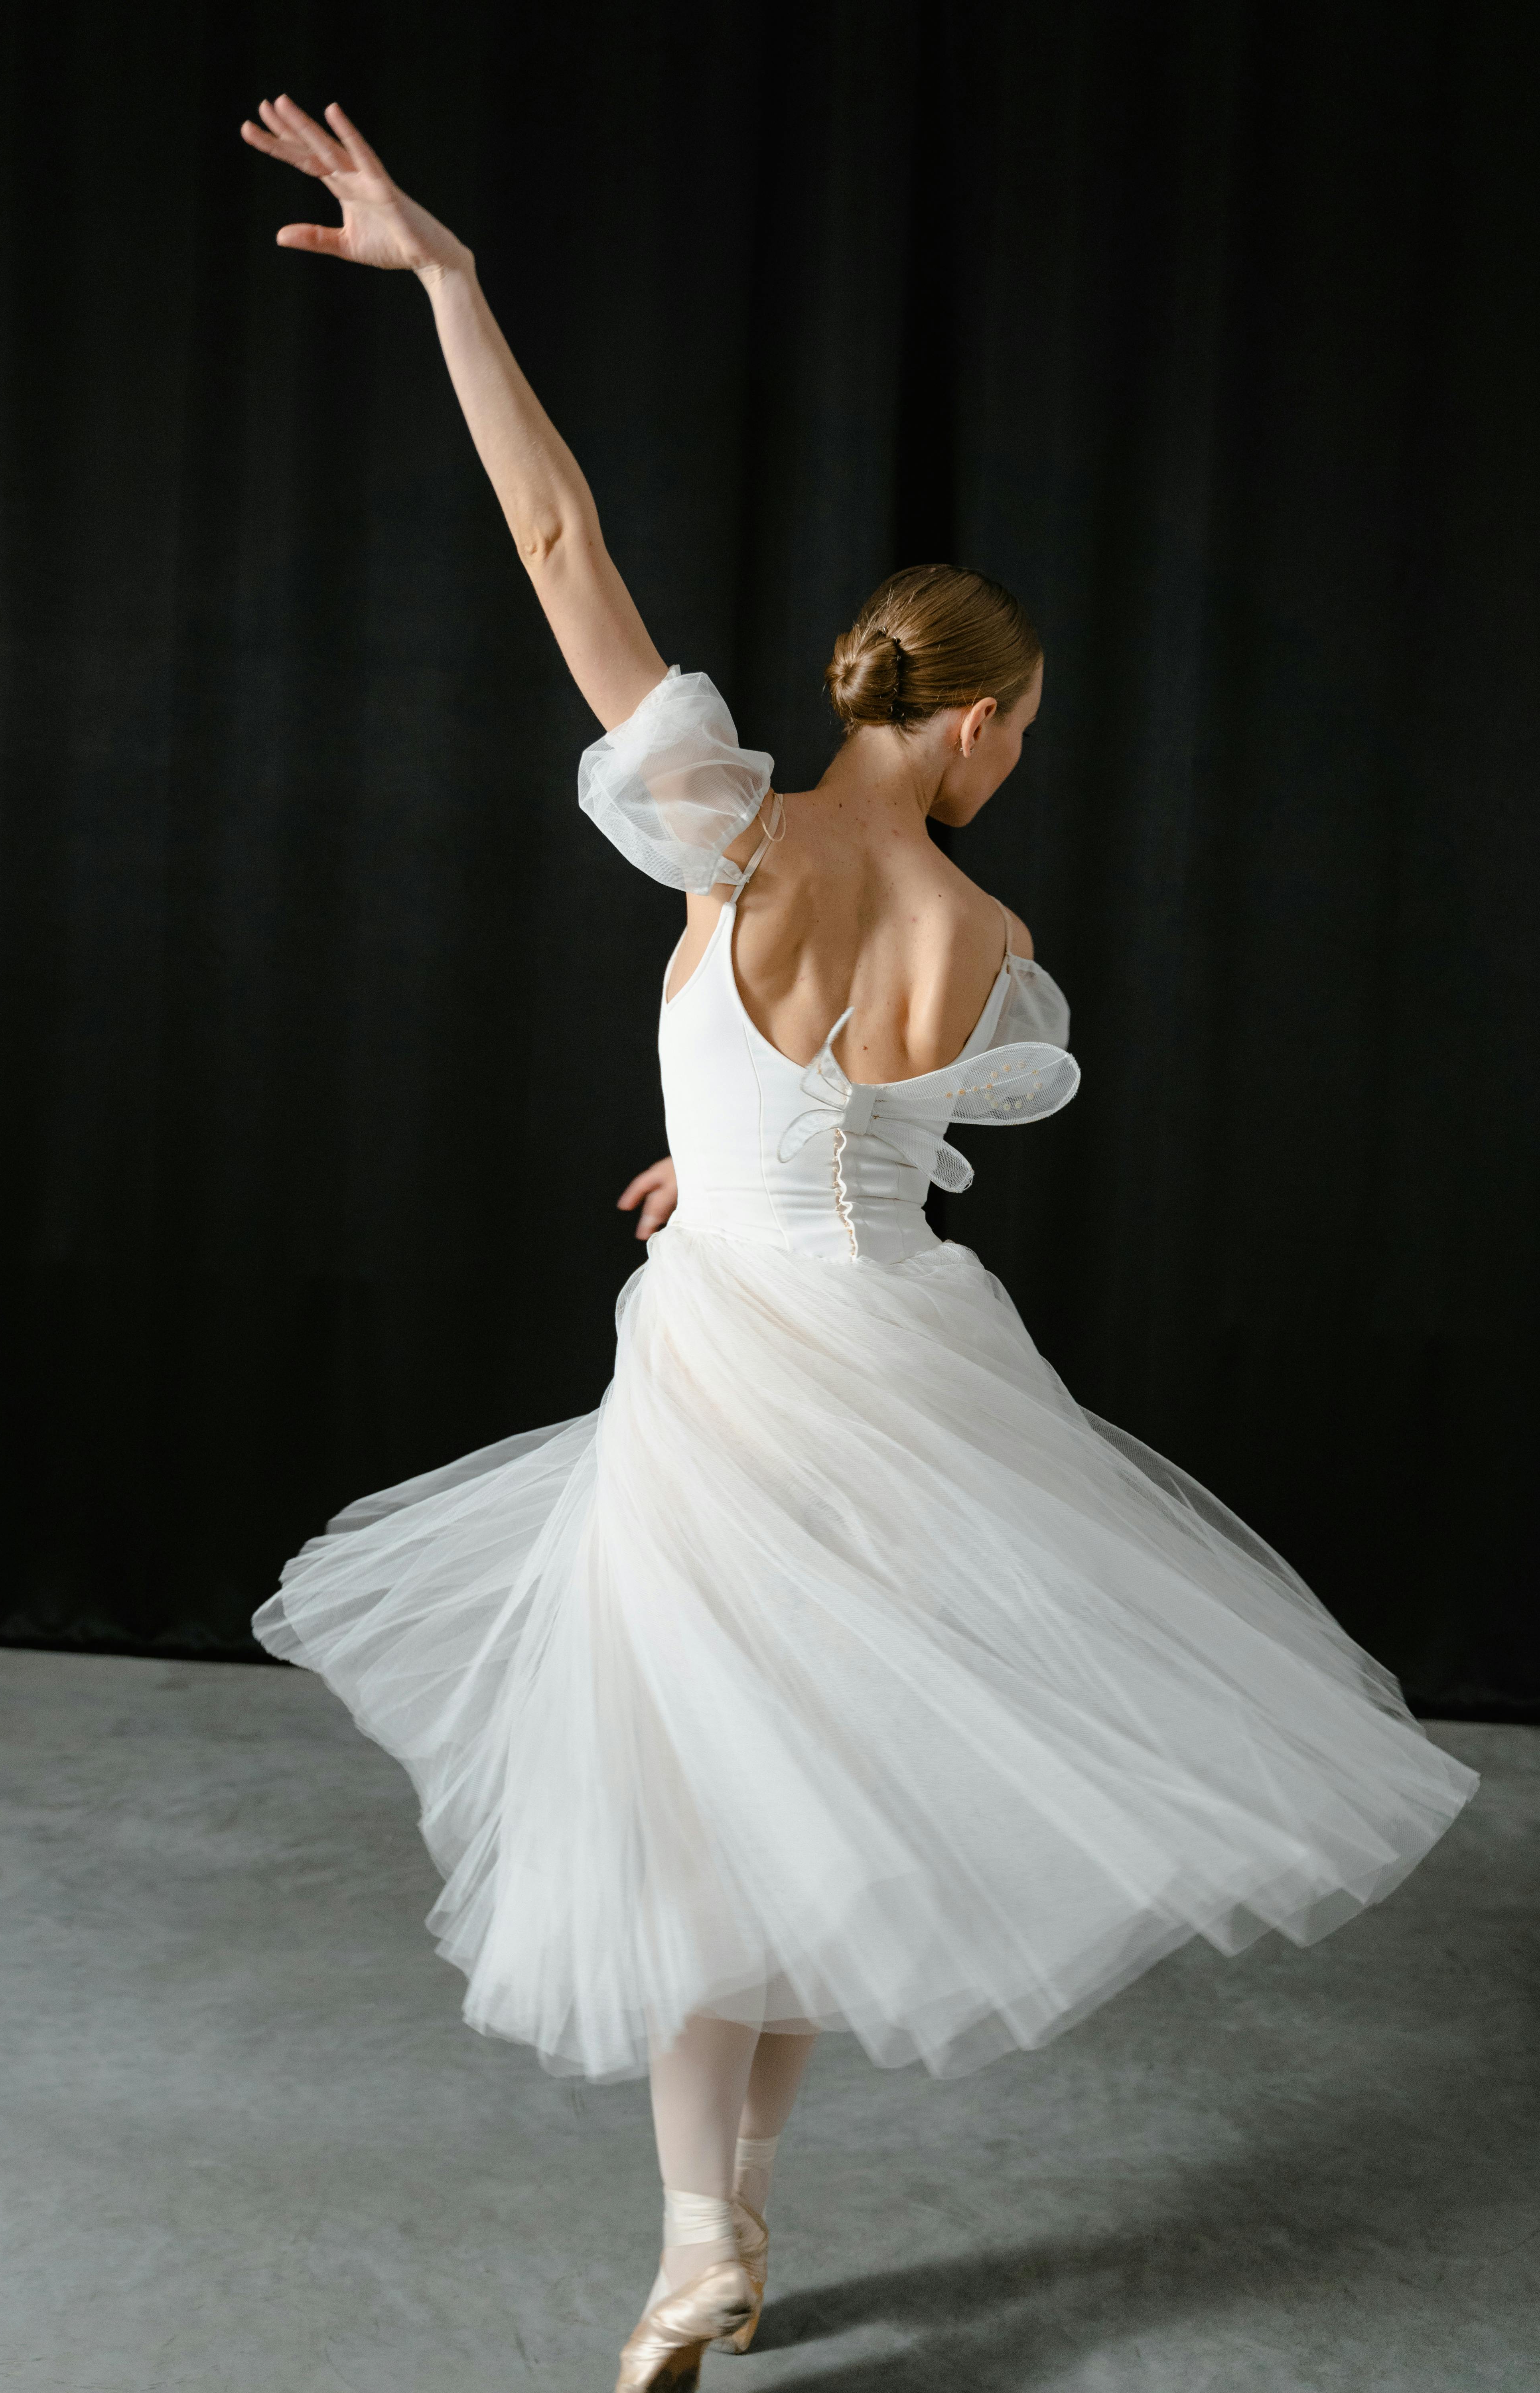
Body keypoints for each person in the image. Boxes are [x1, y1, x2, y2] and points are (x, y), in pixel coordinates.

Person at [241, 96, 1478, 2392]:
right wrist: (736, 1149)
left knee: (695, 1805)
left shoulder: (727, 838)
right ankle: (733, 2229)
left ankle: (699, 2241)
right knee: (806, 1806)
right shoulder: (997, 945)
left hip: (723, 1373)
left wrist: (450, 279)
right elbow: (866, 1145)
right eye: (1027, 733)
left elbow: (553, 531)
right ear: (988, 718)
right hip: (908, 1377)